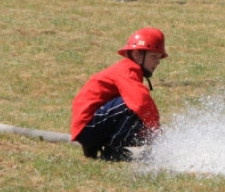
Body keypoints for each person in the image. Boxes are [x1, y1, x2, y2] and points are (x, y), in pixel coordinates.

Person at [71, 28, 167, 161]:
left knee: (141, 124)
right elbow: (141, 103)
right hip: (88, 126)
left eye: (158, 58)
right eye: (153, 57)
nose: (157, 62)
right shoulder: (128, 70)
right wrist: (157, 133)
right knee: (133, 106)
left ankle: (98, 146)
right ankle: (113, 151)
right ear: (137, 54)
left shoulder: (131, 71)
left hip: (90, 126)